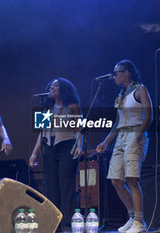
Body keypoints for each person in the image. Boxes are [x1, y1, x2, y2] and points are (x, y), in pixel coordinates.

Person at [96, 60, 153, 233]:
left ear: (127, 72)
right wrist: (105, 142)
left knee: (132, 179)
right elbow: (117, 123)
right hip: (121, 136)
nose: (114, 76)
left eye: (117, 72)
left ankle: (139, 221)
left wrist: (137, 135)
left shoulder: (140, 89)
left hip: (135, 134)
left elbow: (149, 116)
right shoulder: (121, 95)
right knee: (115, 180)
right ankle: (132, 217)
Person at [29, 78, 83, 231]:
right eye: (51, 85)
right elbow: (42, 134)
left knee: (67, 187)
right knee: (52, 188)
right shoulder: (46, 109)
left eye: (56, 85)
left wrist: (79, 145)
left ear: (64, 89)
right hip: (50, 150)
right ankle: (55, 224)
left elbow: (79, 129)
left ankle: (68, 224)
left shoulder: (73, 106)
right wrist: (34, 153)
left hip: (67, 148)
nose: (52, 87)